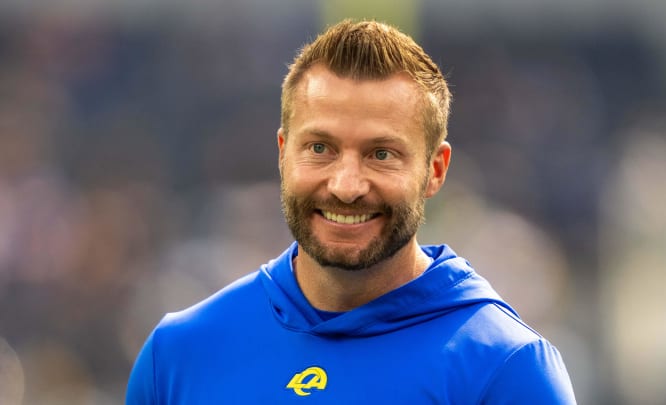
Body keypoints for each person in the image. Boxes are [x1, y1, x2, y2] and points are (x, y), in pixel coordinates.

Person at [126, 19, 576, 404]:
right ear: (283, 153)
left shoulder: (506, 370)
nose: (346, 186)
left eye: (381, 154)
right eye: (320, 148)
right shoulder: (179, 354)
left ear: (435, 170)